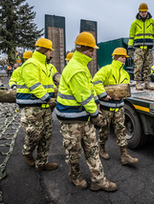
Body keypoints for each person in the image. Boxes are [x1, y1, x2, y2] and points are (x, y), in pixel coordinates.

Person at [55, 31, 117, 192]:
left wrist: (97, 102)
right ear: (83, 49)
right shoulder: (76, 69)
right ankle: (75, 177)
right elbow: (84, 97)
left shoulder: (81, 66)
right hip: (72, 121)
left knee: (92, 150)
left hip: (83, 118)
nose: (93, 53)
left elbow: (89, 90)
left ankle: (99, 181)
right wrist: (96, 114)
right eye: (91, 50)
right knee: (73, 153)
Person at [16, 38, 58, 172]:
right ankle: (27, 152)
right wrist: (48, 98)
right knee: (34, 134)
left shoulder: (46, 66)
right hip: (31, 107)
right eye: (50, 51)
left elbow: (52, 81)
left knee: (47, 135)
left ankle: (42, 163)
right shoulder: (31, 64)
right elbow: (34, 85)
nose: (51, 53)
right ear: (47, 50)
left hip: (45, 107)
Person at [93, 47, 139, 166]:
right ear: (115, 57)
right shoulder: (106, 69)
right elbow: (96, 81)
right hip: (106, 108)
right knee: (104, 130)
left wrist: (123, 96)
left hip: (119, 108)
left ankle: (124, 155)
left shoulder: (125, 73)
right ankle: (101, 148)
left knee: (121, 130)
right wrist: (103, 95)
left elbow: (125, 88)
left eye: (125, 57)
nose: (124, 59)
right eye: (122, 57)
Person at [128, 3, 154, 91]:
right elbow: (131, 37)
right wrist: (130, 48)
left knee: (148, 66)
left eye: (145, 11)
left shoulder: (152, 22)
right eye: (142, 12)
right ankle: (138, 82)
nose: (143, 13)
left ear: (147, 11)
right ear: (139, 11)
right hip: (139, 48)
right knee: (138, 66)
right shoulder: (134, 23)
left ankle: (147, 83)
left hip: (149, 48)